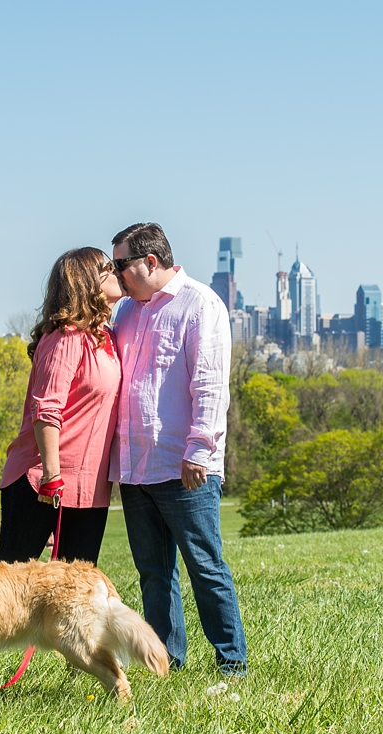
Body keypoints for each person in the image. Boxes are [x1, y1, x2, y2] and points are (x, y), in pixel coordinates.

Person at [109, 222, 247, 676]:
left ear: (150, 262)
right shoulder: (126, 311)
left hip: (184, 465)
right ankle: (166, 663)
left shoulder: (200, 303)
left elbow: (210, 385)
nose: (116, 275)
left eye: (121, 265)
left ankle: (232, 664)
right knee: (154, 574)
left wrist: (199, 452)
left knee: (205, 567)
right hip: (135, 467)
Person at [0, 247, 124, 565]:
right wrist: (51, 476)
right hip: (44, 479)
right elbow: (46, 409)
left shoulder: (105, 337)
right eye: (108, 267)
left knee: (75, 587)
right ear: (87, 282)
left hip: (90, 484)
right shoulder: (66, 338)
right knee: (10, 580)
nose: (117, 271)